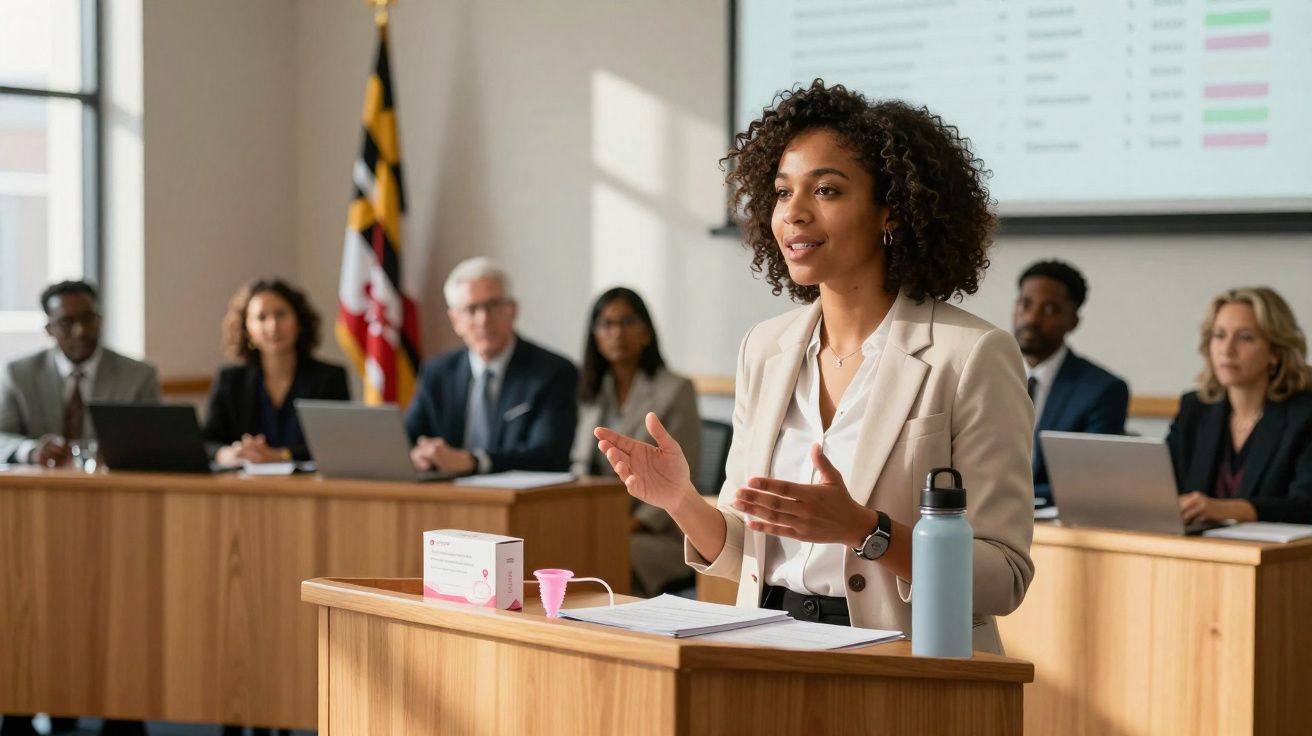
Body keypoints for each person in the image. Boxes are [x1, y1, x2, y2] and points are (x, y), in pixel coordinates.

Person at [595, 81, 1034, 652]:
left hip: (903, 667)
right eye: (781, 193)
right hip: (768, 652)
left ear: (890, 210)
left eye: (825, 190)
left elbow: (1003, 577)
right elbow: (744, 554)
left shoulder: (971, 355)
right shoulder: (765, 347)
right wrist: (681, 501)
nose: (794, 213)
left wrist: (864, 530)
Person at [571, 287, 701, 597]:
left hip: (661, 531)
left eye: (627, 322)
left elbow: (684, 474)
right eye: (606, 324)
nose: (617, 333)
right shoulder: (592, 393)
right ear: (595, 336)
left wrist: (628, 524)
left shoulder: (675, 390)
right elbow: (578, 464)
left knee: (611, 554)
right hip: (601, 521)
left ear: (645, 331)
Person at [406, 257, 577, 475]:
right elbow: (408, 439)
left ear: (513, 310)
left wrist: (475, 462)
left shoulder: (553, 372)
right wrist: (417, 454)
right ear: (455, 320)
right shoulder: (437, 372)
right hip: (448, 499)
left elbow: (551, 455)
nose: (483, 319)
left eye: (493, 306)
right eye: (471, 309)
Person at [1168, 287, 1312, 525]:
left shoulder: (1304, 415)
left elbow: (1306, 505)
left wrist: (1225, 509)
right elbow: (1164, 488)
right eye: (1219, 335)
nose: (1227, 349)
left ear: (1276, 351)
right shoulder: (1195, 408)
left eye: (1245, 337)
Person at [0, 281, 161, 466]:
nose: (80, 331)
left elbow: (154, 442)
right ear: (49, 330)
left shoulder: (138, 375)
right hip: (41, 487)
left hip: (111, 485)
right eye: (67, 322)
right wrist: (31, 451)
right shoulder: (18, 375)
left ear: (99, 321)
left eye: (88, 319)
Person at [1013, 260, 1130, 504]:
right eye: (1026, 304)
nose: (1032, 318)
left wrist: (1012, 496)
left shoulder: (1102, 390)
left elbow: (1090, 481)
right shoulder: (989, 375)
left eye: (1049, 310)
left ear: (1073, 321)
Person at [203, 279, 350, 464]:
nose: (273, 326)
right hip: (243, 486)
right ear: (247, 329)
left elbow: (338, 445)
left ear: (299, 321)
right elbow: (206, 441)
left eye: (281, 314)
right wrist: (226, 454)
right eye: (261, 318)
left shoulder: (330, 378)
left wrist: (281, 455)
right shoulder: (230, 380)